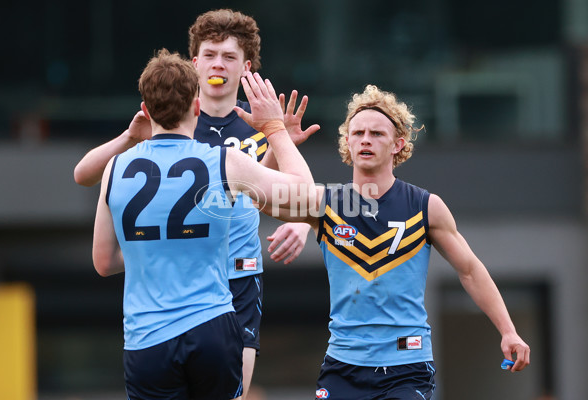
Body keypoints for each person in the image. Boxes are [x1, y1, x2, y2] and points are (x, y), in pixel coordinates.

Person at [75, 9, 318, 398]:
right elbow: (84, 174)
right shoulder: (170, 117)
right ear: (194, 64)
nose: (217, 64)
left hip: (236, 277)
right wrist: (128, 136)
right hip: (187, 280)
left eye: (228, 57)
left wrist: (301, 219)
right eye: (209, 55)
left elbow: (254, 195)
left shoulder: (253, 128)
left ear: (246, 67)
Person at [263, 84, 531, 399]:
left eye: (377, 134)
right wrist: (277, 142)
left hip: (408, 366)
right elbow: (259, 196)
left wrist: (508, 330)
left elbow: (470, 270)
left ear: (397, 144)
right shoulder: (326, 203)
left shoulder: (426, 206)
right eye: (358, 132)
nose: (365, 139)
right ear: (347, 142)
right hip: (343, 366)